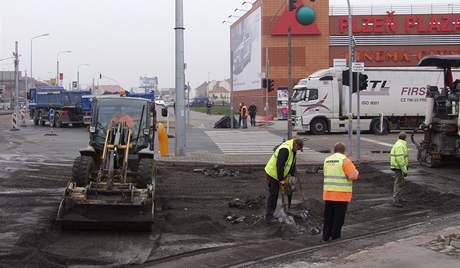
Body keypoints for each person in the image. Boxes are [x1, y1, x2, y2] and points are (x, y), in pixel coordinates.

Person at [322, 142, 359, 241]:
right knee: (338, 217)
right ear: (344, 151)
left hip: (328, 193)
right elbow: (353, 175)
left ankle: (325, 235)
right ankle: (335, 235)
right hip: (341, 194)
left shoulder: (327, 160)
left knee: (328, 216)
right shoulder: (345, 160)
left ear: (334, 150)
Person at [264, 138, 304, 223]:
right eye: (298, 149)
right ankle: (269, 216)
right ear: (296, 145)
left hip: (282, 174)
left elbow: (292, 163)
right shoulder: (285, 149)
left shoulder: (293, 149)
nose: (298, 151)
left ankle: (287, 210)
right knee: (273, 194)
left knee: (289, 190)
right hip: (273, 173)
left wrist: (292, 176)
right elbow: (280, 165)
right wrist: (281, 179)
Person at [390, 132, 409, 208]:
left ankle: (399, 198)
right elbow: (400, 159)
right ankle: (396, 200)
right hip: (399, 168)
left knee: (401, 183)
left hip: (398, 167)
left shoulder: (399, 144)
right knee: (398, 184)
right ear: (405, 138)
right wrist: (405, 170)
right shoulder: (400, 146)